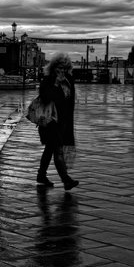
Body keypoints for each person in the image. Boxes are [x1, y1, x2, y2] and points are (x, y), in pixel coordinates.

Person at [36, 53, 79, 190]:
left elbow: (69, 103)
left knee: (50, 149)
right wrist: (55, 83)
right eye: (59, 68)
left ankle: (41, 175)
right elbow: (46, 97)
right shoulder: (48, 80)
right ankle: (66, 180)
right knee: (57, 150)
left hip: (63, 122)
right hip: (50, 121)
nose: (62, 71)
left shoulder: (69, 80)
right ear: (53, 68)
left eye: (64, 68)